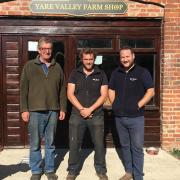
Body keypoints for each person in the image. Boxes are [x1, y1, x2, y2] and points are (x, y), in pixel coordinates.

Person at [20, 37, 67, 180]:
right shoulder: (29, 66)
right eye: (44, 48)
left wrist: (63, 108)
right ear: (39, 50)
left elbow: (62, 90)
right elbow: (23, 90)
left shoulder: (57, 67)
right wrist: (24, 109)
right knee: (35, 143)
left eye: (49, 48)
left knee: (50, 143)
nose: (47, 51)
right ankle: (35, 171)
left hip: (53, 110)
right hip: (34, 111)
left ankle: (50, 170)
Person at [108, 47, 155, 180]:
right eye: (122, 57)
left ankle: (138, 175)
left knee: (137, 148)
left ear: (133, 56)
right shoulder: (116, 73)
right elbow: (111, 90)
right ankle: (129, 172)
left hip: (136, 118)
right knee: (125, 146)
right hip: (120, 117)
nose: (125, 59)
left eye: (127, 56)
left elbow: (150, 91)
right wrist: (115, 104)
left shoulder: (142, 72)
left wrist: (138, 105)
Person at [66, 48, 108, 180]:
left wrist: (90, 110)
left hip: (96, 115)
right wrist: (82, 109)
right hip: (77, 115)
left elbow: (104, 95)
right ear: (81, 59)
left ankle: (101, 170)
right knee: (74, 144)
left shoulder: (101, 74)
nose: (88, 62)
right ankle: (72, 170)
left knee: (99, 144)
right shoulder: (74, 73)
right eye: (86, 59)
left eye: (91, 59)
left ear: (94, 59)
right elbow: (70, 94)